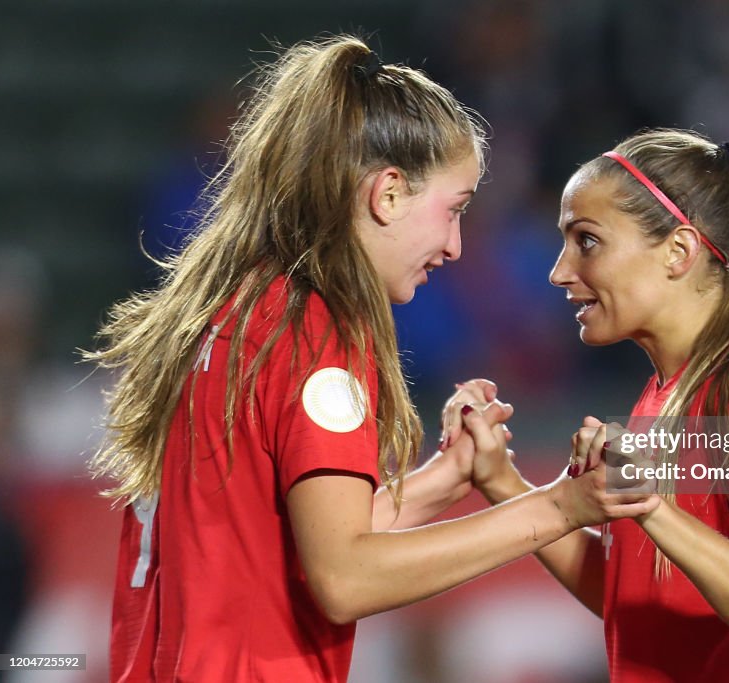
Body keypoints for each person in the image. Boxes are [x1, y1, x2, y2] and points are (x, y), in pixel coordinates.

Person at [86, 36, 656, 682]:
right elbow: (344, 576)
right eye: (453, 210)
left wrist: (447, 477)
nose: (455, 245)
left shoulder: (238, 309)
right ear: (387, 195)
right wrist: (562, 506)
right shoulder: (316, 331)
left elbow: (292, 541)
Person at [445, 129, 729, 682]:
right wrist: (504, 481)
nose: (559, 271)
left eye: (587, 240)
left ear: (678, 251)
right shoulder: (668, 393)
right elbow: (637, 600)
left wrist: (648, 505)